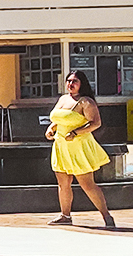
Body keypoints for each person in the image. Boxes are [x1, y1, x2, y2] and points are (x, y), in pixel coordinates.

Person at [46, 71, 115, 229]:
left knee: (87, 184)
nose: (71, 84)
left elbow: (95, 123)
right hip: (61, 145)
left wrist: (76, 133)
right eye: (69, 81)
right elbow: (60, 118)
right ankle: (65, 215)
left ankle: (106, 215)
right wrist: (51, 128)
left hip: (78, 146)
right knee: (63, 183)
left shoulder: (86, 102)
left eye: (75, 81)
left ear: (81, 83)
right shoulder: (63, 99)